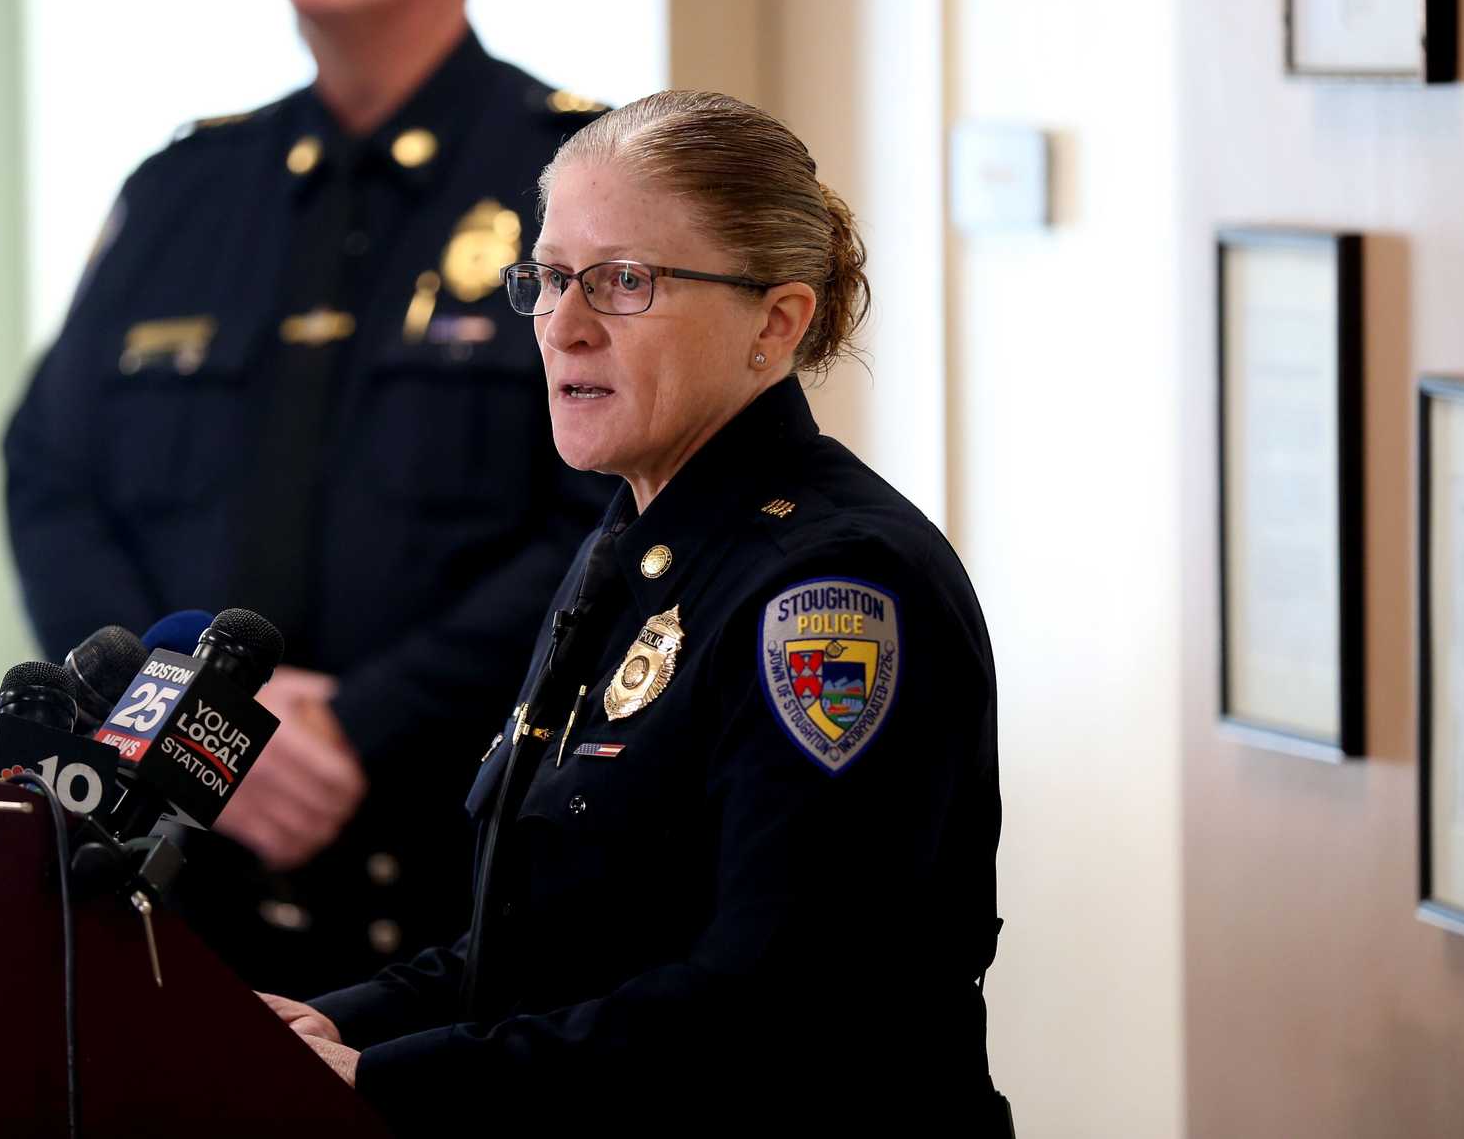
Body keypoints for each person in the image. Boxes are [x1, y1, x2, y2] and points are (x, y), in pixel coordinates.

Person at [259, 90, 1012, 1133]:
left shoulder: (832, 595)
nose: (562, 326)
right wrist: (312, 1031)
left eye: (622, 282)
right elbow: (533, 951)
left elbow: (764, 1010)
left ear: (774, 321)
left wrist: (389, 1082)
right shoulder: (628, 545)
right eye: (549, 277)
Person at [2, 0, 611, 994]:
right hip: (178, 895)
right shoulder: (184, 189)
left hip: (461, 893)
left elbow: (607, 517)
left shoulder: (575, 183)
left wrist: (362, 721)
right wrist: (180, 717)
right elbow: (50, 479)